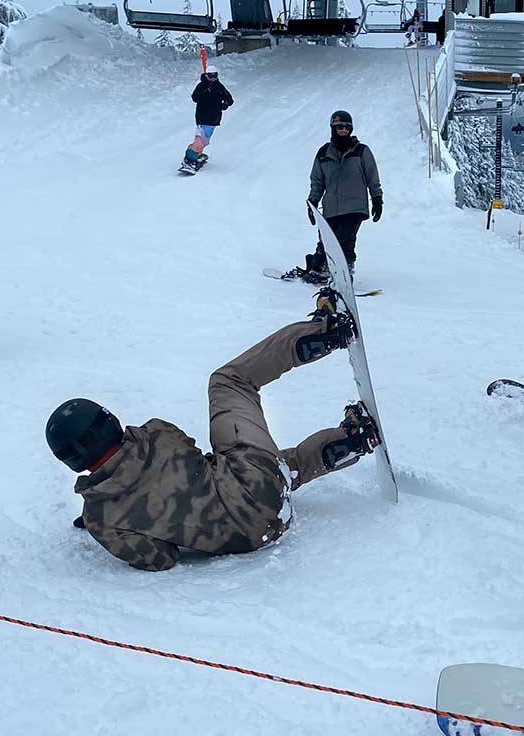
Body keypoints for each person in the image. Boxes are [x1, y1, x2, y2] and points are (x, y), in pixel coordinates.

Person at [44, 292, 378, 572]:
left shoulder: (101, 517)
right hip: (254, 479)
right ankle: (323, 332)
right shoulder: (155, 434)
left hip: (258, 532)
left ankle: (350, 441)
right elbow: (191, 454)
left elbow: (161, 559)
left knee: (262, 479)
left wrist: (116, 520)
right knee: (229, 382)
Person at [306, 110, 383, 280]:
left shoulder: (361, 151)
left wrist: (377, 199)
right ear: (333, 128)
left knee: (344, 239)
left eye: (347, 127)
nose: (344, 130)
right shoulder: (323, 153)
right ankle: (319, 268)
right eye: (340, 127)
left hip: (355, 206)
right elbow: (317, 181)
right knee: (326, 240)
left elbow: (372, 176)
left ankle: (345, 273)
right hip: (331, 207)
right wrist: (312, 202)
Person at [185, 66, 234, 167]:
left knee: (204, 142)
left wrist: (223, 105)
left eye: (215, 75)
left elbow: (230, 100)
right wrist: (205, 90)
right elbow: (195, 98)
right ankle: (189, 160)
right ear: (206, 75)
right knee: (200, 142)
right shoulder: (201, 86)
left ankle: (195, 155)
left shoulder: (219, 87)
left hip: (214, 119)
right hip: (202, 118)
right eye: (210, 76)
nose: (212, 78)